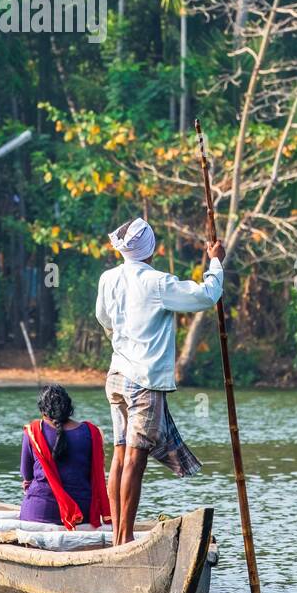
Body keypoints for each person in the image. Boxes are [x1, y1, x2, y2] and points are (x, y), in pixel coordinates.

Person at [96, 216, 225, 546]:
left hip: (117, 377)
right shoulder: (157, 283)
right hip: (143, 382)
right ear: (151, 249)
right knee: (135, 461)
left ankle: (117, 537)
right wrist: (215, 262)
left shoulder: (108, 278)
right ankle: (122, 541)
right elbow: (206, 296)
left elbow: (103, 318)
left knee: (121, 454)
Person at [19, 384, 111, 529]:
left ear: (43, 410)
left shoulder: (33, 431)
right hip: (83, 512)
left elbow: (26, 476)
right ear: (69, 408)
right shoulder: (92, 432)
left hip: (40, 512)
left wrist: (29, 485)